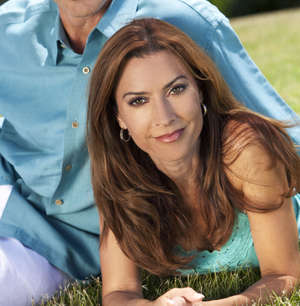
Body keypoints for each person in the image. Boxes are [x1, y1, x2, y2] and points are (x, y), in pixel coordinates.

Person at [0, 0, 299, 306]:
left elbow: (279, 138)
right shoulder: (8, 35)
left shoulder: (181, 24)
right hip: (38, 233)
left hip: (154, 232)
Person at [87, 17, 300, 306]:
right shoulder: (119, 174)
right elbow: (118, 292)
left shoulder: (245, 149)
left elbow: (284, 274)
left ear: (200, 88)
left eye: (176, 89)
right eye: (139, 101)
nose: (164, 117)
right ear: (118, 117)